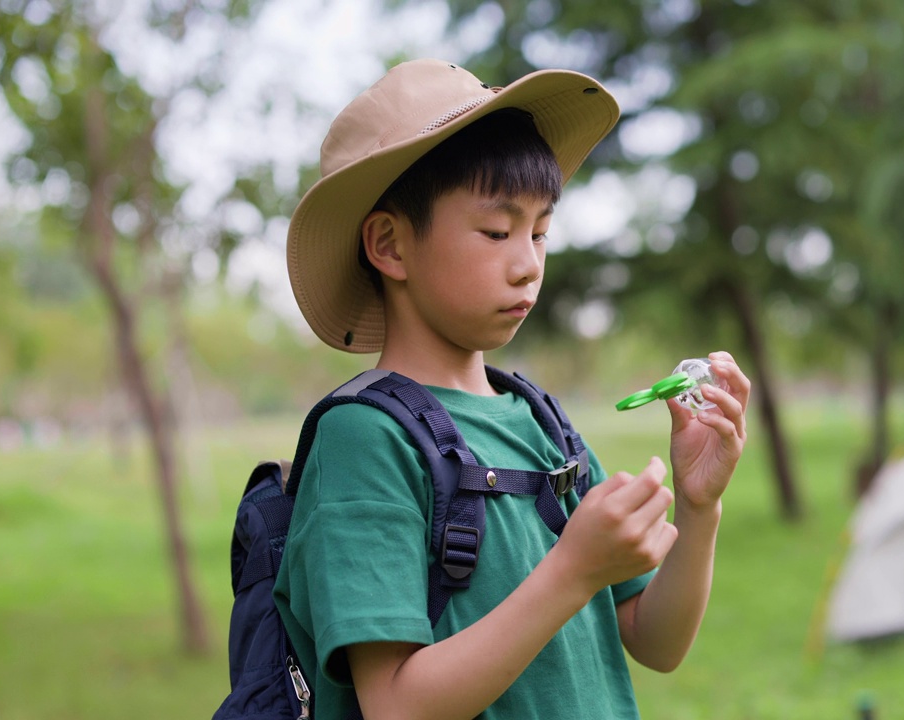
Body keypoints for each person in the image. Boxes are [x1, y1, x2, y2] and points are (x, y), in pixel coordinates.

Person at [273, 58, 750, 720]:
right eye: (497, 232)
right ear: (390, 245)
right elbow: (395, 705)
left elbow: (654, 640)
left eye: (540, 231)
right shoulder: (363, 438)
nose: (527, 265)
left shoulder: (540, 422)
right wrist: (573, 571)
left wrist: (699, 511)